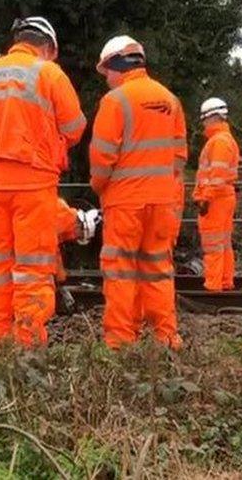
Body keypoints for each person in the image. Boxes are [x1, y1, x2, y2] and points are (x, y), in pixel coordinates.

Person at [0, 16, 86, 346]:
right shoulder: (48, 72)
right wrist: (51, 144)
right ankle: (28, 346)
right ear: (47, 47)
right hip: (34, 184)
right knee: (32, 269)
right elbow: (75, 127)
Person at [89, 35, 187, 350]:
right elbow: (179, 157)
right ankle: (166, 338)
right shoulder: (171, 100)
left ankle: (120, 343)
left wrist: (98, 186)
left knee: (120, 272)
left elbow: (102, 157)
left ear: (117, 65)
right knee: (158, 270)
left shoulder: (116, 101)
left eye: (107, 73)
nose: (107, 80)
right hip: (162, 202)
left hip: (124, 203)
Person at [193, 97, 240, 292]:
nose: (203, 123)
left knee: (213, 244)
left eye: (204, 118)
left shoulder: (218, 142)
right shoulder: (223, 140)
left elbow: (217, 177)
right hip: (222, 197)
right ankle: (225, 281)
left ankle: (213, 285)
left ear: (212, 117)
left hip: (216, 199)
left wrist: (205, 198)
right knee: (222, 243)